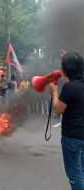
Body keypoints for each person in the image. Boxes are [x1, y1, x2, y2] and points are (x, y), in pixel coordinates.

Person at [49, 51, 84, 190]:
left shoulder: (69, 88)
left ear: (67, 68)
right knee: (81, 171)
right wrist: (68, 58)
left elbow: (58, 110)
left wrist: (54, 91)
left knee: (75, 175)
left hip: (72, 137)